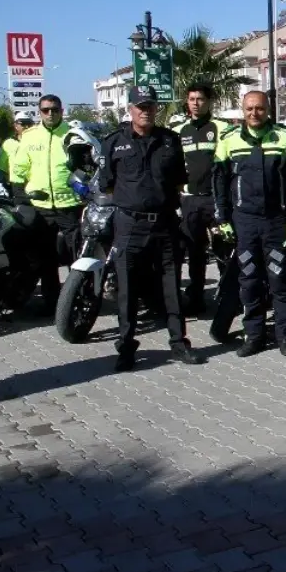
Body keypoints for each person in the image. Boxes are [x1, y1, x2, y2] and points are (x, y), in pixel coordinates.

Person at [96, 86, 198, 371]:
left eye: (151, 106)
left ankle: (179, 343)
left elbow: (179, 181)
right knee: (127, 290)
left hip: (164, 223)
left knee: (171, 287)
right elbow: (108, 184)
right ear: (130, 109)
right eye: (141, 106)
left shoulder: (170, 140)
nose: (146, 111)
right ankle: (126, 348)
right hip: (130, 225)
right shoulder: (114, 142)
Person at [212, 91, 286, 357]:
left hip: (277, 222)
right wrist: (222, 218)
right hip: (245, 223)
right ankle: (253, 336)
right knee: (249, 280)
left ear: (268, 110)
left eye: (260, 109)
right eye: (250, 108)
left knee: (280, 279)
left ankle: (285, 336)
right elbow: (218, 181)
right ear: (243, 110)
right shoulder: (229, 141)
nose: (255, 113)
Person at [10, 95, 83, 310]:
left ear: (62, 110)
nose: (50, 114)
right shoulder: (30, 136)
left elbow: (86, 165)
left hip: (68, 203)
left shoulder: (73, 134)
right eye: (45, 110)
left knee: (74, 256)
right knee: (45, 257)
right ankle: (52, 301)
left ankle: (76, 299)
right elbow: (19, 168)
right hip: (40, 206)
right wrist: (19, 194)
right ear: (39, 112)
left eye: (54, 110)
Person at [177, 83, 236, 315]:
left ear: (209, 102)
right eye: (191, 98)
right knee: (195, 252)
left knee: (224, 250)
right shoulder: (179, 129)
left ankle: (228, 296)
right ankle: (196, 297)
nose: (195, 102)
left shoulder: (222, 128)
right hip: (190, 200)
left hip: (217, 199)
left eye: (200, 99)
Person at [0, 110, 35, 175]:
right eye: (23, 123)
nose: (27, 127)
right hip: (16, 183)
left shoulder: (39, 142)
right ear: (15, 125)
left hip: (34, 183)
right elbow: (1, 165)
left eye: (29, 124)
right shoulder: (8, 143)